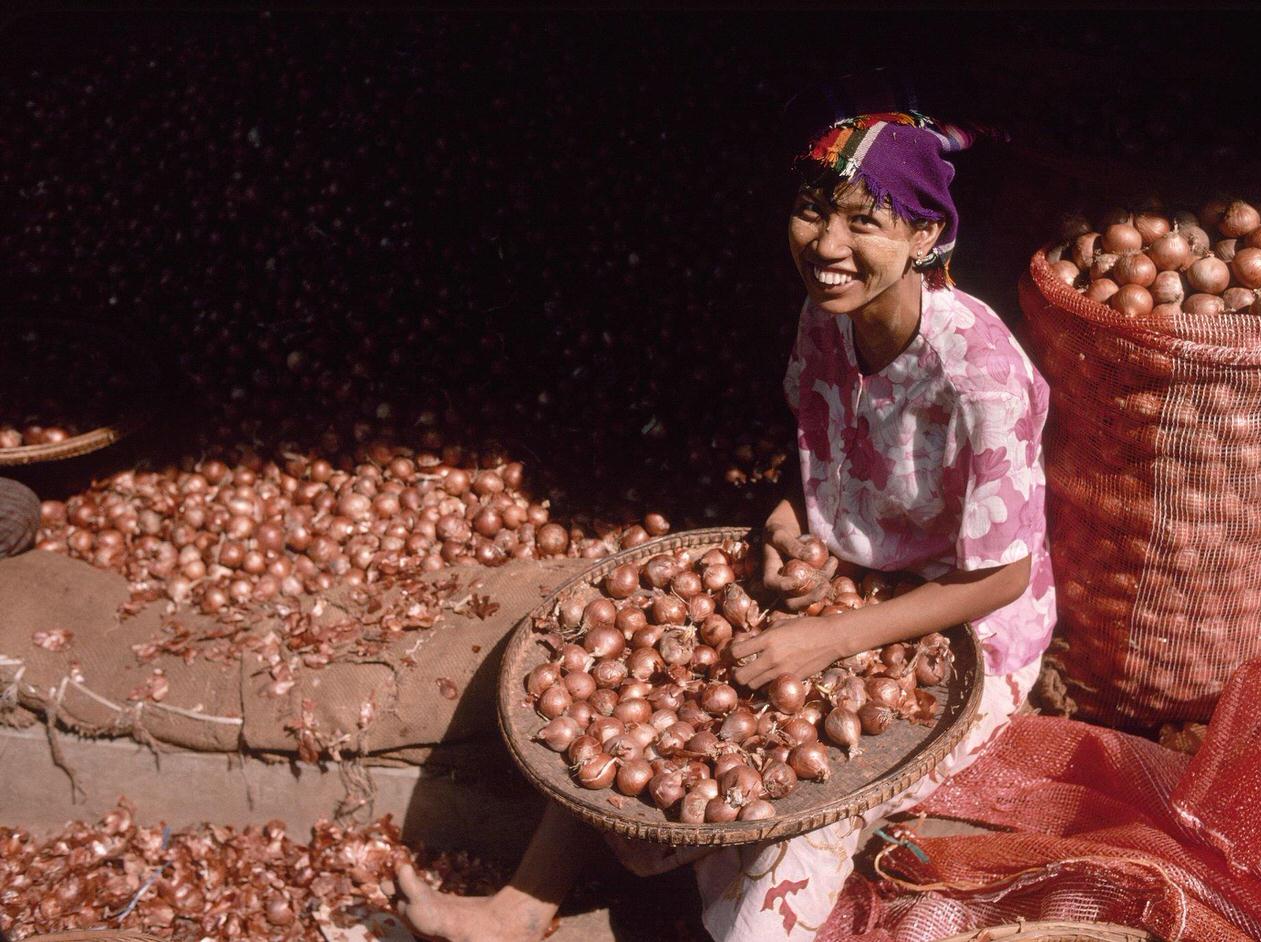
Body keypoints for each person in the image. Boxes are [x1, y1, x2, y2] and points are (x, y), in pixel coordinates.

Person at [394, 110, 1055, 942]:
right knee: (641, 687)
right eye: (813, 211)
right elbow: (812, 452)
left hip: (962, 623)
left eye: (864, 221)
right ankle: (519, 908)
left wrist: (831, 640)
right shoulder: (829, 314)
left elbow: (1004, 577)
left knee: (810, 808)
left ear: (925, 235)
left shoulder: (979, 378)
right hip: (845, 576)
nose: (826, 243)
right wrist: (784, 525)